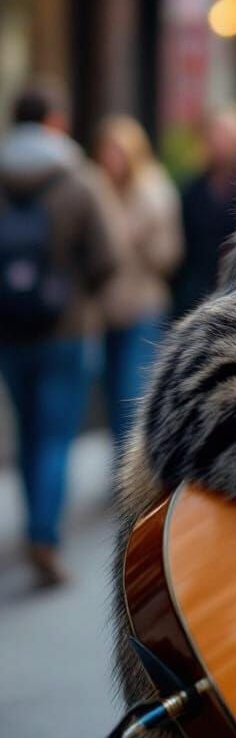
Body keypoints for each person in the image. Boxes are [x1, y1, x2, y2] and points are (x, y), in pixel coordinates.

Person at [0, 83, 116, 586]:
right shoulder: (78, 178)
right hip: (65, 330)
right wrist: (75, 292)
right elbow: (106, 258)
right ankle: (45, 536)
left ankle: (32, 528)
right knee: (54, 437)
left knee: (27, 431)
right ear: (53, 122)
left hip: (10, 329)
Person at [94, 115, 182, 452]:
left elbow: (169, 255)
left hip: (143, 305)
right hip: (105, 308)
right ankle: (121, 468)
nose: (111, 159)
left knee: (133, 391)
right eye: (107, 151)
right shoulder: (98, 190)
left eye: (118, 151)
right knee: (112, 394)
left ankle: (135, 466)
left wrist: (142, 234)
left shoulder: (153, 191)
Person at [173, 104, 236, 317]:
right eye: (215, 133)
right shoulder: (193, 189)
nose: (219, 141)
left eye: (226, 134)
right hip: (196, 295)